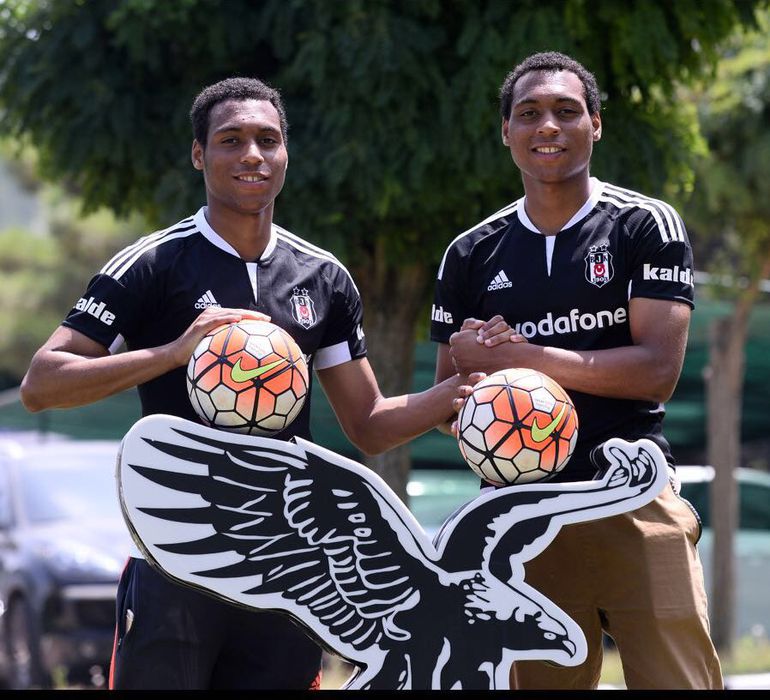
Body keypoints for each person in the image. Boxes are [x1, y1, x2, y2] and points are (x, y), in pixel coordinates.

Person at [20, 77, 463, 690]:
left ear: (285, 153)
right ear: (198, 154)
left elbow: (368, 424)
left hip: (284, 568)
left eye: (267, 140)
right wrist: (173, 353)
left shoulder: (323, 277)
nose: (252, 155)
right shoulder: (152, 264)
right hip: (176, 555)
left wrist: (452, 394)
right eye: (231, 140)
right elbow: (42, 384)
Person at [430, 52, 723, 690]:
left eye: (567, 111)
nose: (548, 126)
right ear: (505, 130)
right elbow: (448, 401)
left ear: (596, 124)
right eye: (529, 113)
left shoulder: (644, 224)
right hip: (520, 516)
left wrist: (523, 358)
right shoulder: (470, 252)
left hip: (634, 493)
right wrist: (483, 395)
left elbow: (656, 371)